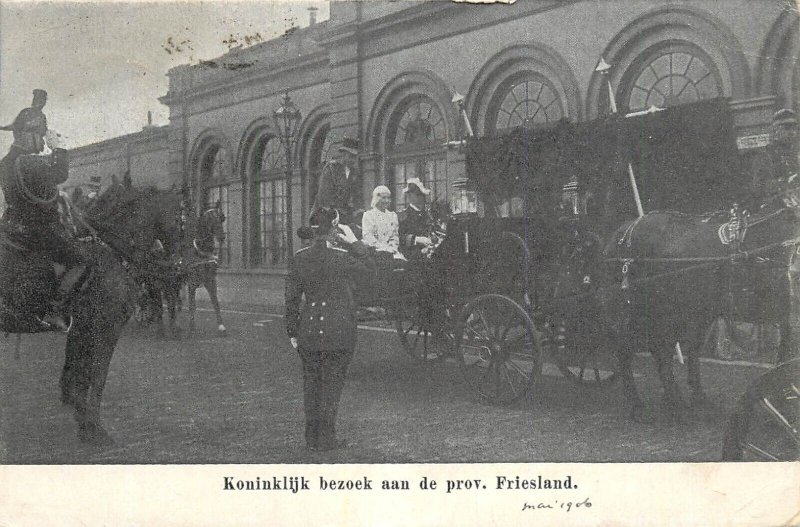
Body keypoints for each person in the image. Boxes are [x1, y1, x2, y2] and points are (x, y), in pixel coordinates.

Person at [285, 207, 374, 451]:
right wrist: (355, 243)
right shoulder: (341, 257)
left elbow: (291, 300)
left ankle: (312, 437)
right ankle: (327, 438)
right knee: (332, 386)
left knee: (311, 384)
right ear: (334, 229)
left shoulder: (299, 257)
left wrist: (293, 331)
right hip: (339, 329)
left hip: (309, 330)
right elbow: (371, 271)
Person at [0, 93, 85, 330]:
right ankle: (54, 311)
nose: (42, 142)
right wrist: (59, 147)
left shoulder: (6, 162)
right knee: (80, 260)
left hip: (12, 227)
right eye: (40, 135)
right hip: (38, 230)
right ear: (29, 135)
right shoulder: (30, 162)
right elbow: (60, 174)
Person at [749, 108, 799, 209]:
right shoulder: (765, 156)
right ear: (775, 131)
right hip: (777, 211)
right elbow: (758, 188)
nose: (792, 132)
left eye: (795, 128)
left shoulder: (796, 154)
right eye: (787, 128)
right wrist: (784, 182)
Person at [313, 137, 361, 226]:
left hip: (345, 215)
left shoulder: (354, 172)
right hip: (327, 214)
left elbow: (355, 196)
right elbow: (324, 196)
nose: (353, 160)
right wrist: (334, 213)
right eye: (351, 156)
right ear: (343, 154)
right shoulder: (331, 168)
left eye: (355, 157)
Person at [361, 185, 404, 261]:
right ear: (376, 198)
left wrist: (392, 247)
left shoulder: (393, 216)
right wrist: (384, 248)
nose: (387, 201)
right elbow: (368, 237)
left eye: (388, 198)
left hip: (392, 251)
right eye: (383, 198)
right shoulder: (368, 215)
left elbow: (395, 236)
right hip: (375, 251)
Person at [397, 177, 435, 261]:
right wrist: (417, 239)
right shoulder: (403, 216)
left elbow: (433, 231)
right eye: (417, 195)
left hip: (430, 254)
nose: (421, 198)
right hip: (412, 256)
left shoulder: (427, 215)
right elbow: (399, 238)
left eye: (422, 195)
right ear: (409, 196)